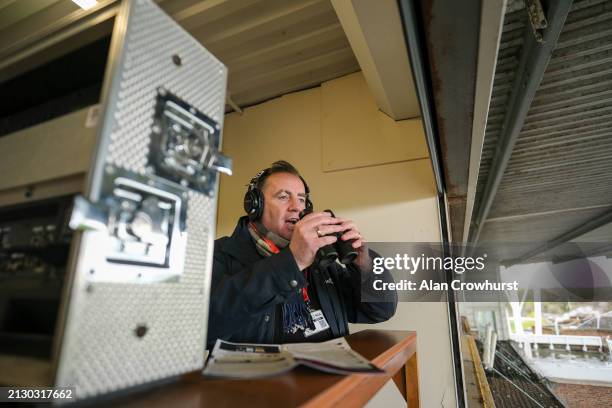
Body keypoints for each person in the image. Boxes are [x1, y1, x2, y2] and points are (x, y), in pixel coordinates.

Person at [206, 160, 396, 348]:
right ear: (255, 205)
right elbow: (205, 329)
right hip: (260, 377)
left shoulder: (322, 261)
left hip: (333, 375)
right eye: (283, 196)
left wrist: (366, 268)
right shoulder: (218, 256)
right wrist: (293, 261)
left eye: (302, 199)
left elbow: (380, 312)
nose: (297, 207)